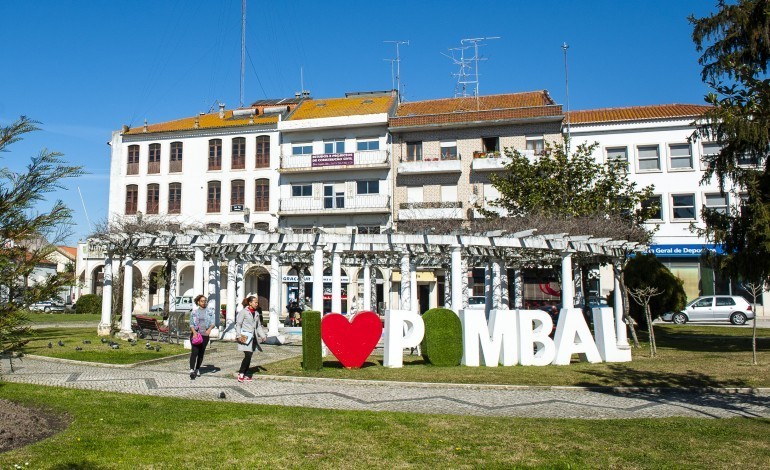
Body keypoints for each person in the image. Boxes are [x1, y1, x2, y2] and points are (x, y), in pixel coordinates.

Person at [235, 295, 267, 382]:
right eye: (255, 302)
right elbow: (238, 324)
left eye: (257, 302)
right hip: (245, 336)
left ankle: (244, 373)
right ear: (250, 303)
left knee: (250, 355)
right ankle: (241, 373)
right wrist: (238, 335)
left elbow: (258, 326)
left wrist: (263, 336)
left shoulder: (256, 313)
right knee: (248, 355)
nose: (257, 304)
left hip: (253, 338)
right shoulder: (244, 312)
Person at [189, 294, 216, 380]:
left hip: (205, 335)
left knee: (201, 353)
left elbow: (213, 323)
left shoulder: (210, 312)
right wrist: (194, 333)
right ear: (198, 302)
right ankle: (191, 369)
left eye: (205, 301)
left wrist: (209, 330)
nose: (204, 303)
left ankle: (197, 369)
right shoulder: (194, 312)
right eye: (202, 301)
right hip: (196, 334)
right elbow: (191, 324)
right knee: (194, 352)